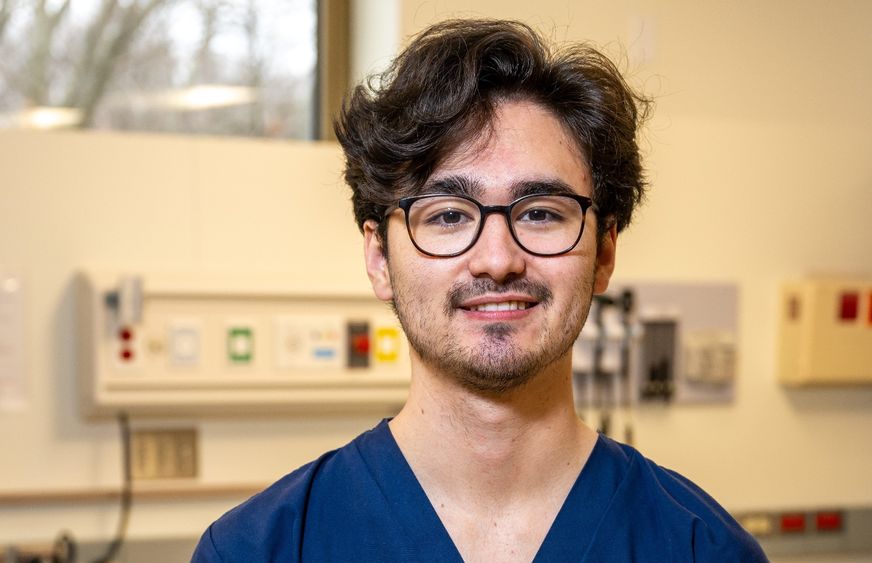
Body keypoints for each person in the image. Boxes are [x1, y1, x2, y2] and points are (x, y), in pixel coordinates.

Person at [192, 19, 767, 562]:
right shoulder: (262, 548)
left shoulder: (702, 549)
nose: (497, 258)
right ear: (379, 259)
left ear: (605, 253)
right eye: (447, 216)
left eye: (542, 212)